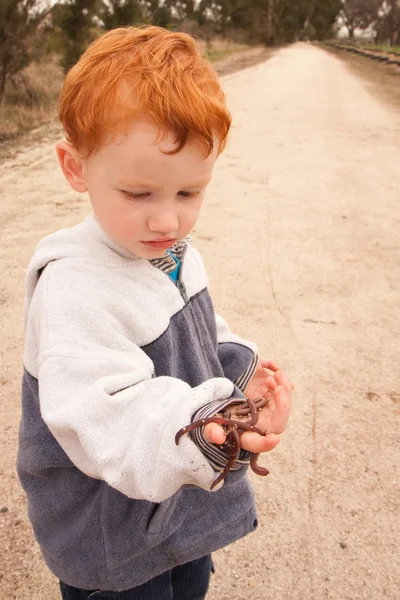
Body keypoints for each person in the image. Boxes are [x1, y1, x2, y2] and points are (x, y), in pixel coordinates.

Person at [17, 26, 293, 600]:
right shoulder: (74, 289)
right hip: (113, 540)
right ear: (75, 168)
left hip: (176, 511)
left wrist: (242, 391)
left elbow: (199, 336)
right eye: (140, 194)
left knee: (190, 585)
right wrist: (206, 429)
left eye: (188, 193)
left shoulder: (172, 255)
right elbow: (103, 413)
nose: (166, 221)